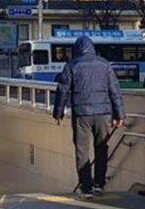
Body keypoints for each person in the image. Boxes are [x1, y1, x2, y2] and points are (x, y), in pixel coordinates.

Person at [52, 36, 125, 199]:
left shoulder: (72, 65)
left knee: (82, 150)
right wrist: (119, 114)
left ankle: (86, 187)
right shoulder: (105, 65)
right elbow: (115, 91)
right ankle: (99, 184)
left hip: (81, 114)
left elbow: (63, 90)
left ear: (77, 50)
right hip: (103, 113)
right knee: (102, 148)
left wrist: (59, 112)